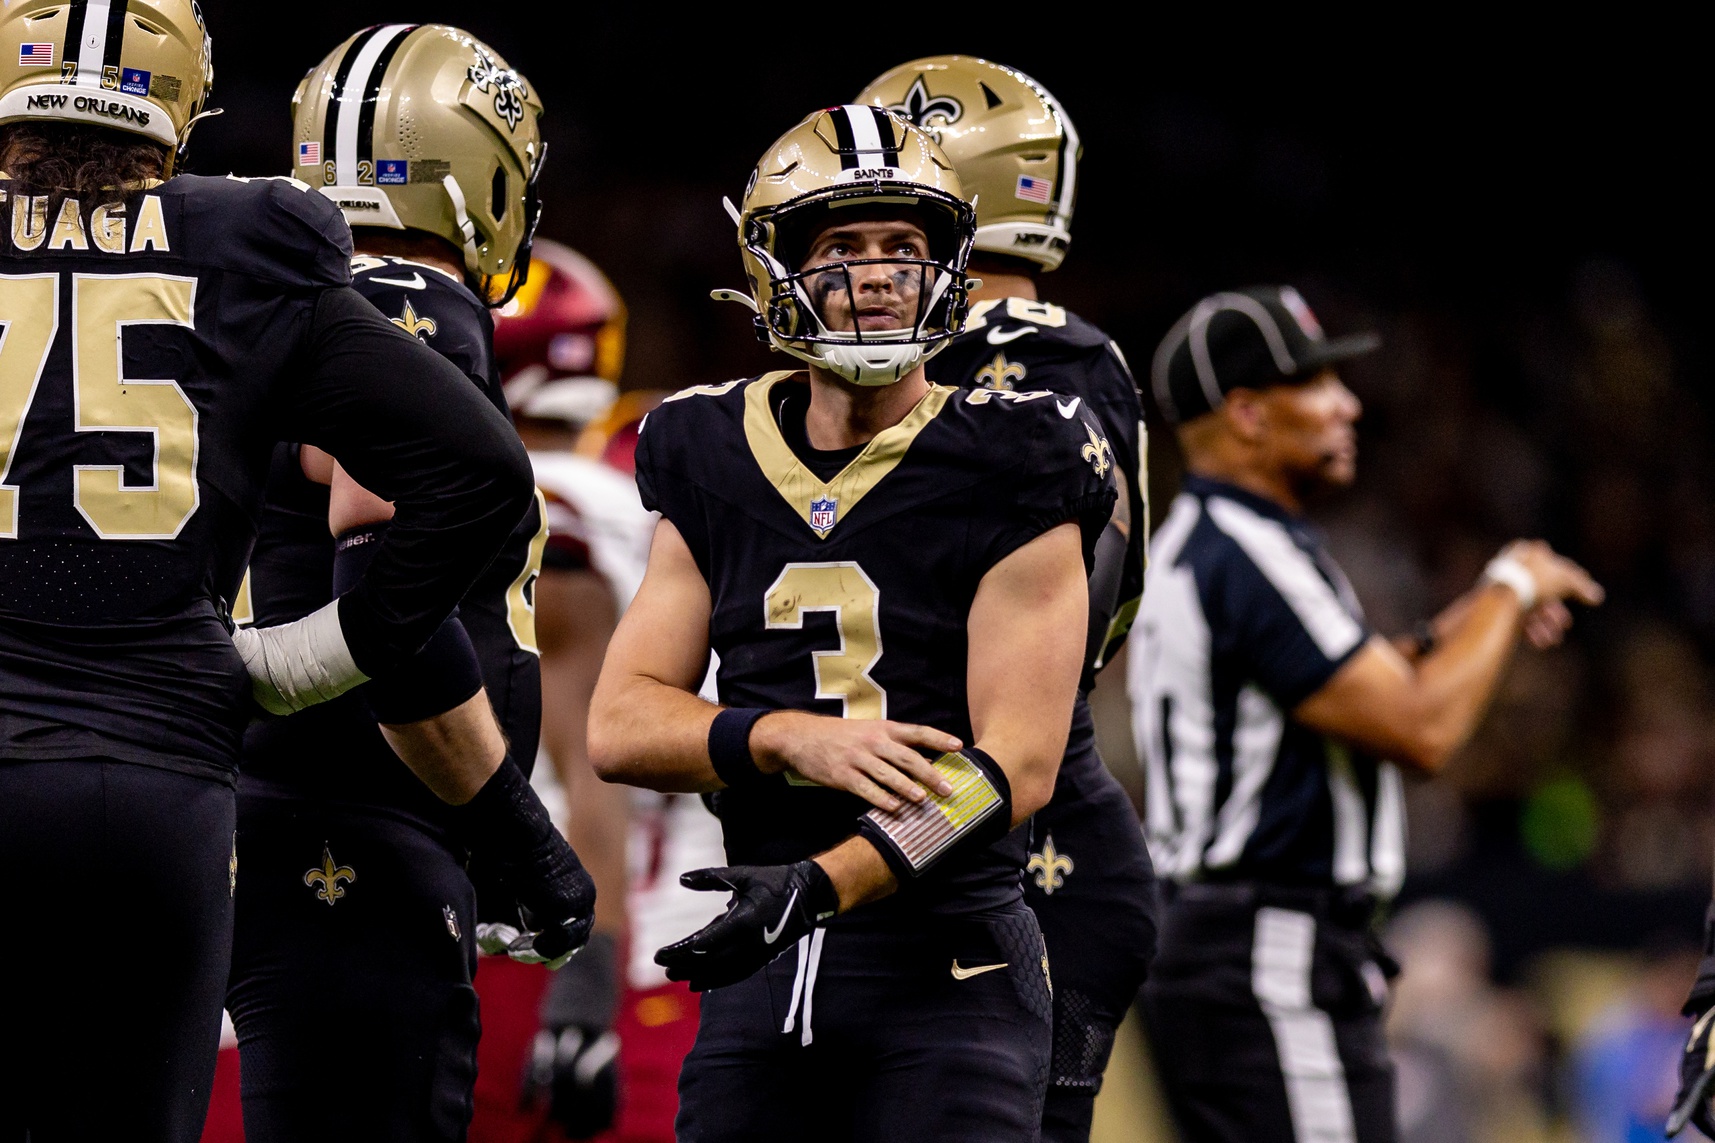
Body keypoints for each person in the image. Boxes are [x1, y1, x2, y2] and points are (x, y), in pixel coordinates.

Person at [0, 4, 544, 1139]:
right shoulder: (250, 242)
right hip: (157, 782)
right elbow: (478, 472)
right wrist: (305, 661)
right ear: (181, 109)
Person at [588, 104, 1117, 1143]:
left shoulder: (1016, 453)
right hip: (761, 953)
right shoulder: (707, 446)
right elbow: (619, 725)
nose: (876, 276)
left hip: (943, 965)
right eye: (840, 248)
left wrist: (821, 885)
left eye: (903, 249)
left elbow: (1010, 768)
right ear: (771, 266)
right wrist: (788, 736)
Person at [224, 25, 592, 1143]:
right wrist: (512, 826)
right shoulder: (406, 304)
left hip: (273, 813)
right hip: (356, 825)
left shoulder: (274, 293)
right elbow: (389, 578)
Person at [1129, 285, 1604, 1143]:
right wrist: (1511, 588)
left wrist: (1482, 613)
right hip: (1265, 944)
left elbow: (1371, 677)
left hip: (1236, 944)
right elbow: (1418, 728)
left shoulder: (1215, 543)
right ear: (1244, 413)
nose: (1347, 403)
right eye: (1313, 385)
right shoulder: (1244, 551)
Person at [859, 56, 1158, 1143]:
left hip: (1021, 841)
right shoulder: (1057, 355)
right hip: (993, 824)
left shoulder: (1025, 358)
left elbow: (1071, 614)